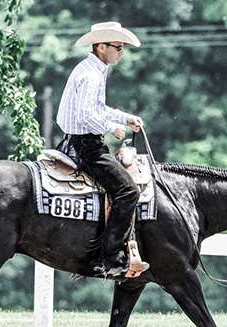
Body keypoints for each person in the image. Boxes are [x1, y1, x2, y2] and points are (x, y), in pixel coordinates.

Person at [56, 21, 144, 280]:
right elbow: (87, 116)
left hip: (81, 140)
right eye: (118, 46)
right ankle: (112, 259)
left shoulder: (93, 69)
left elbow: (97, 108)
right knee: (128, 191)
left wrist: (124, 117)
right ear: (101, 46)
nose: (122, 52)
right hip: (87, 145)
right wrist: (112, 127)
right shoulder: (92, 74)